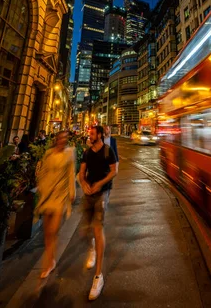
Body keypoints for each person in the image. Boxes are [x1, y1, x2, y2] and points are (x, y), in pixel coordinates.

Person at [79, 125, 118, 301]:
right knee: (84, 230)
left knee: (97, 227)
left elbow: (114, 170)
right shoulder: (87, 152)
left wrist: (101, 183)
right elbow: (81, 173)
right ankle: (92, 247)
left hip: (102, 193)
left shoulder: (108, 151)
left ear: (100, 135)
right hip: (89, 193)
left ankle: (98, 276)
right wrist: (84, 183)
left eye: (93, 133)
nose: (90, 135)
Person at [35, 130, 76, 278]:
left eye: (65, 138)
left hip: (60, 195)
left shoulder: (69, 153)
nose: (63, 140)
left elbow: (71, 173)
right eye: (61, 138)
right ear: (56, 139)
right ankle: (50, 259)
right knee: (47, 231)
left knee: (53, 230)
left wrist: (72, 192)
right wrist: (41, 187)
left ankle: (48, 262)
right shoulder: (49, 153)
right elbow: (43, 172)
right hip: (48, 194)